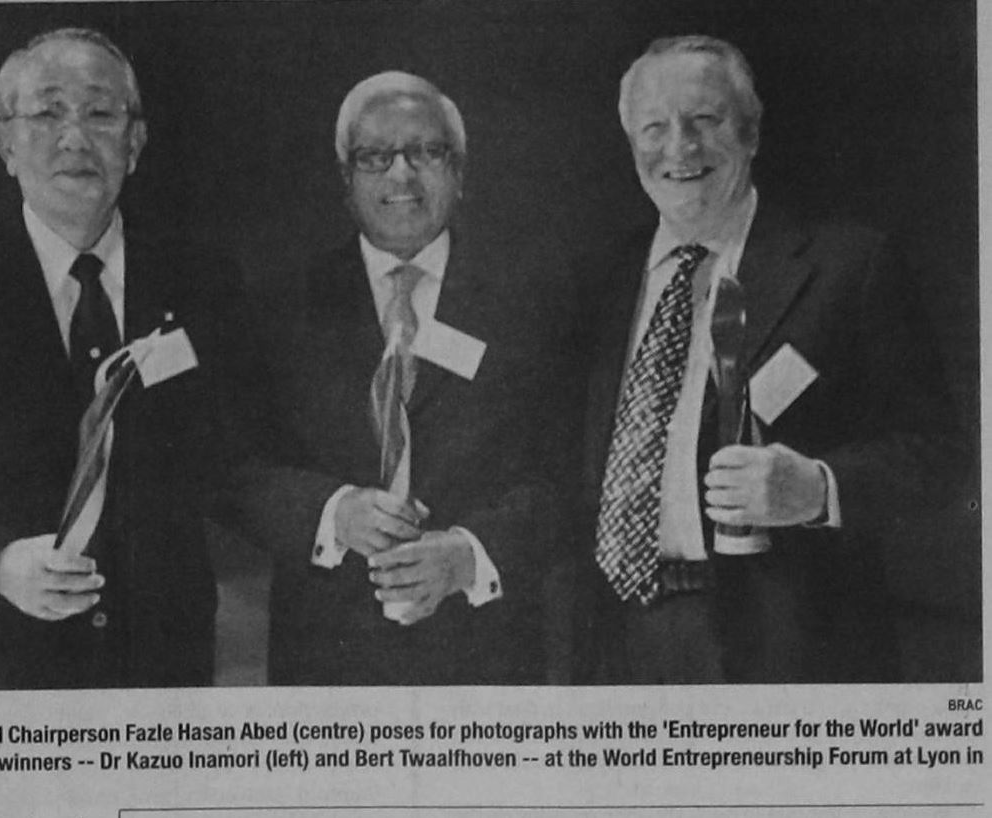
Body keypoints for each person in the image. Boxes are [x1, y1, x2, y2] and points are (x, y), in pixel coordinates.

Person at [0, 28, 242, 689]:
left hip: (162, 674)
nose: (75, 138)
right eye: (48, 112)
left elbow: (241, 458)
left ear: (135, 143)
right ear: (6, 145)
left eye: (101, 113)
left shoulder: (201, 280)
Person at [574, 35, 966, 684]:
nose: (679, 147)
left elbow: (939, 456)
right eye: (654, 127)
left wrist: (818, 488)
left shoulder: (848, 267)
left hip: (786, 651)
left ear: (750, 133)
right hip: (620, 647)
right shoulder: (602, 283)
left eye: (705, 119)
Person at [231, 71, 567, 685]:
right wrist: (332, 513)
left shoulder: (534, 302)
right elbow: (235, 468)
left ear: (460, 172)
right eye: (375, 157)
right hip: (325, 665)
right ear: (346, 178)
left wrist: (471, 554)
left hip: (487, 662)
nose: (401, 175)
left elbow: (567, 474)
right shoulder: (280, 307)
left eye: (427, 152)